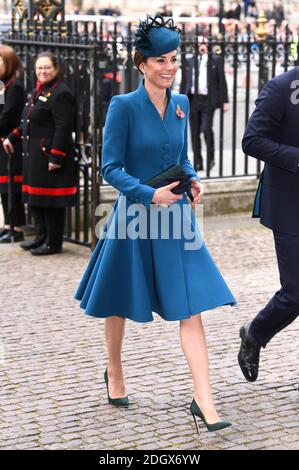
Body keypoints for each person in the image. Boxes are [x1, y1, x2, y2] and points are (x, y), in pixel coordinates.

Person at [75, 15, 236, 433]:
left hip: (176, 216)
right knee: (118, 298)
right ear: (141, 64)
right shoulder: (123, 106)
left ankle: (204, 398)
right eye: (160, 60)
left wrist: (193, 178)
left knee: (191, 305)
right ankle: (114, 370)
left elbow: (179, 157)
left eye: (172, 59)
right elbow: (110, 167)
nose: (168, 67)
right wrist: (149, 194)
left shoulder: (181, 103)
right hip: (135, 215)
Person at [238, 68, 299, 382]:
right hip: (290, 204)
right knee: (296, 293)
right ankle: (254, 334)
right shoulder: (280, 87)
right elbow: (251, 140)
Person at [3, 51, 77, 255]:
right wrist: (13, 136)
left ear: (56, 69)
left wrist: (56, 156)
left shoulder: (61, 92)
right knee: (37, 201)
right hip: (34, 156)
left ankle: (53, 243)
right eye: (39, 68)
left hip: (49, 155)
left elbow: (63, 128)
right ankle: (41, 237)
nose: (43, 71)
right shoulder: (39, 90)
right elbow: (28, 121)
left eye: (47, 67)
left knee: (51, 203)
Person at [180, 39, 229, 172]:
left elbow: (221, 81)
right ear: (196, 46)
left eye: (205, 44)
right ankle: (197, 162)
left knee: (206, 129)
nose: (203, 46)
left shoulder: (215, 61)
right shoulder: (190, 61)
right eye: (200, 44)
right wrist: (180, 102)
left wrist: (225, 101)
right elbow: (184, 83)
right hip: (193, 99)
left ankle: (210, 157)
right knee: (194, 132)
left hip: (208, 100)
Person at [0, 45, 25, 243]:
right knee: (3, 186)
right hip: (3, 140)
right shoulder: (4, 84)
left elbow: (7, 116)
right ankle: (8, 224)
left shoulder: (15, 86)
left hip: (11, 142)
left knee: (12, 186)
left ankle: (16, 226)